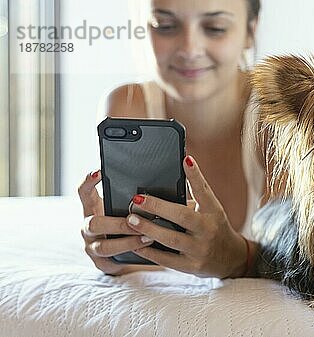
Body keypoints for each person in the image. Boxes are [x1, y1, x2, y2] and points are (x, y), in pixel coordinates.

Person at [77, 0, 266, 279]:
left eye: (215, 28)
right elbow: (140, 259)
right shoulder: (128, 107)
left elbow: (303, 259)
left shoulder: (280, 117)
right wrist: (113, 254)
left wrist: (240, 258)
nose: (189, 50)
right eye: (165, 26)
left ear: (250, 31)